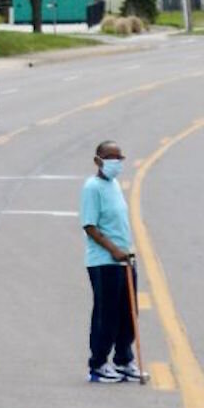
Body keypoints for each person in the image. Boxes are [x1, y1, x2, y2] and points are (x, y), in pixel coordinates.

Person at [81, 140, 146, 384]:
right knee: (105, 314)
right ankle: (98, 364)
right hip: (104, 261)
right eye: (110, 157)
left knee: (128, 313)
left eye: (119, 158)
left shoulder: (115, 185)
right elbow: (90, 226)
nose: (115, 162)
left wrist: (125, 252)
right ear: (98, 160)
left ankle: (124, 360)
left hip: (124, 259)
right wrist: (114, 250)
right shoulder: (92, 187)